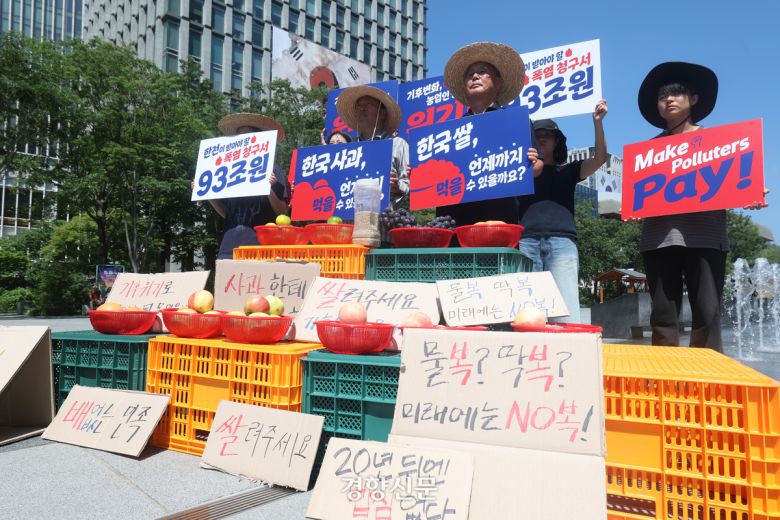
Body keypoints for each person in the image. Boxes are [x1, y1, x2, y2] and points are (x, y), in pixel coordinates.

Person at [636, 62, 766, 351]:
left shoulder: (720, 143)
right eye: (662, 97)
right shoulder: (648, 152)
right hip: (659, 239)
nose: (668, 99)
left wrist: (751, 192)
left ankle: (706, 383)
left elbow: (736, 182)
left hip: (706, 236)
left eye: (676, 94)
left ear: (693, 99)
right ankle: (664, 380)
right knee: (662, 316)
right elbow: (639, 194)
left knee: (707, 314)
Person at [516, 103, 608, 324]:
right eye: (537, 134)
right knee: (527, 312)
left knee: (565, 311)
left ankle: (568, 353)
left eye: (549, 134)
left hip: (562, 243)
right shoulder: (517, 172)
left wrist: (597, 123)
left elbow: (599, 159)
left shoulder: (568, 170)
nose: (542, 137)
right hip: (525, 242)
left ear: (558, 141)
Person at [438, 41, 544, 227]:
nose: (475, 77)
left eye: (482, 71)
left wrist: (532, 163)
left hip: (499, 219)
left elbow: (537, 167)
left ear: (498, 81)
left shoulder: (515, 121)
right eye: (469, 75)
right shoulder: (449, 131)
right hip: (455, 222)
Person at [208, 113, 290, 260]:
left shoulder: (274, 170)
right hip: (229, 248)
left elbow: (282, 211)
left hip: (260, 247)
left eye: (248, 136)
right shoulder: (230, 172)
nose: (244, 141)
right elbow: (227, 213)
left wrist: (268, 189)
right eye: (240, 137)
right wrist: (208, 196)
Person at [335, 85, 409, 207]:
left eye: (368, 104)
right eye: (358, 106)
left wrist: (396, 186)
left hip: (385, 219)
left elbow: (412, 187)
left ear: (383, 112)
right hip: (348, 221)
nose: (361, 108)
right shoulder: (348, 148)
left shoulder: (398, 144)